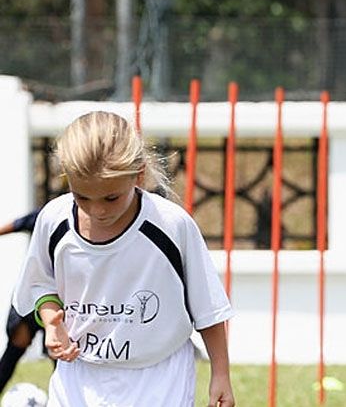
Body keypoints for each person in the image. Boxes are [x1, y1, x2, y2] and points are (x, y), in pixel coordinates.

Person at [12, 111, 235, 406]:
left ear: (138, 175)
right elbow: (41, 285)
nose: (98, 211)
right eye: (82, 197)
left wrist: (221, 374)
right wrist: (53, 323)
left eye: (111, 198)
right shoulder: (53, 220)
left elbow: (207, 307)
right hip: (79, 375)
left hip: (159, 378)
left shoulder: (171, 225)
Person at [0, 209, 44, 394]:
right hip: (31, 293)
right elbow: (17, 224)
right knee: (15, 348)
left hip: (63, 298)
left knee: (60, 355)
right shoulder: (49, 215)